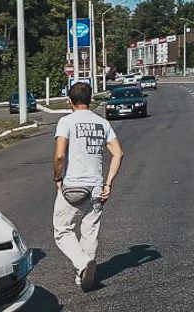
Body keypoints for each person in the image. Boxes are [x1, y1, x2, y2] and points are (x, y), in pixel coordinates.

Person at [52, 81, 124, 292]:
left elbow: (59, 155)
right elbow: (118, 153)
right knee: (89, 231)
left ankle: (82, 263)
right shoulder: (102, 123)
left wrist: (58, 177)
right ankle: (82, 276)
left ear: (69, 101)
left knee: (62, 230)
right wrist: (108, 183)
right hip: (96, 186)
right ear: (91, 100)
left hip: (73, 185)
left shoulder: (66, 121)